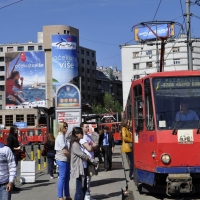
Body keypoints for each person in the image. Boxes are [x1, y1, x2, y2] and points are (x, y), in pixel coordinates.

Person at [70, 127, 91, 200]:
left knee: (84, 187)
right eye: (80, 133)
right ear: (76, 134)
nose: (82, 134)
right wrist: (87, 157)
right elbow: (82, 155)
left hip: (83, 167)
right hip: (78, 169)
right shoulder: (75, 144)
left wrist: (86, 156)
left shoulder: (78, 143)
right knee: (79, 189)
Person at [80, 122, 97, 200]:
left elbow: (95, 145)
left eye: (88, 127)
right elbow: (89, 148)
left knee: (89, 178)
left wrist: (91, 146)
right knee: (87, 179)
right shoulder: (83, 137)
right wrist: (91, 146)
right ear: (82, 127)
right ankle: (86, 196)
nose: (88, 128)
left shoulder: (89, 136)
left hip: (91, 159)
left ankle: (88, 195)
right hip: (86, 160)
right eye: (86, 127)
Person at [54, 122, 71, 200]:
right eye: (64, 126)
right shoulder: (60, 137)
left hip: (65, 159)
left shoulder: (64, 136)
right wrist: (71, 157)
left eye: (67, 126)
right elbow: (64, 151)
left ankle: (67, 195)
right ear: (61, 127)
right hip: (62, 159)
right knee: (62, 177)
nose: (66, 128)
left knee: (67, 178)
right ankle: (60, 197)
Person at [7, 125, 22, 191]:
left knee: (14, 169)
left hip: (15, 154)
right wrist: (17, 148)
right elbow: (9, 147)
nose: (16, 130)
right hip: (13, 154)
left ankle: (13, 185)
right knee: (13, 169)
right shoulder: (10, 137)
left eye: (17, 129)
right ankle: (11, 185)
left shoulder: (14, 136)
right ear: (12, 129)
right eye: (15, 129)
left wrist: (19, 147)